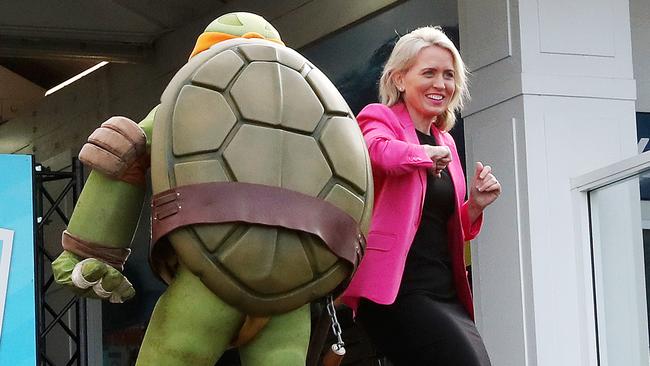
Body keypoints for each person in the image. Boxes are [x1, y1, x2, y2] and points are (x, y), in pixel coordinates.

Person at [340, 26, 501, 366]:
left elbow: (445, 226)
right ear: (399, 79)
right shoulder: (378, 118)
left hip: (444, 290)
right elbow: (376, 151)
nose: (440, 84)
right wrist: (421, 156)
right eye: (428, 73)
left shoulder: (447, 143)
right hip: (398, 292)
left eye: (448, 75)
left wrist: (474, 205)